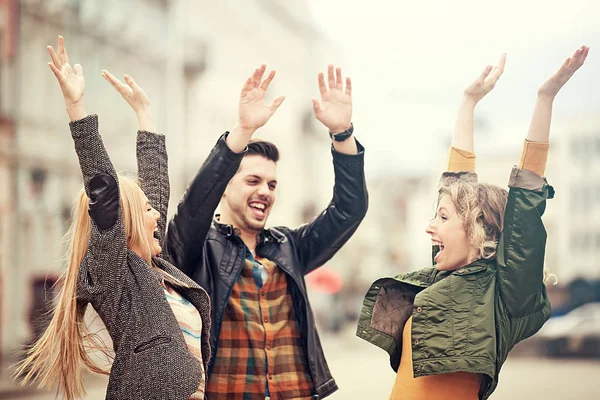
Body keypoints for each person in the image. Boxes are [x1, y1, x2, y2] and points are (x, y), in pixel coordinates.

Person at [357, 46, 589, 400]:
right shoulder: (439, 280)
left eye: (443, 217)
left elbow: (525, 208)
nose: (430, 227)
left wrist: (545, 98)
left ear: (479, 231)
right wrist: (468, 103)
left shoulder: (504, 294)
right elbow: (455, 183)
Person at [15, 36, 211, 400]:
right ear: (128, 223)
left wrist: (145, 114)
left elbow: (155, 188)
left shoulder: (154, 268)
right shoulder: (114, 274)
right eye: (149, 211)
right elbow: (103, 191)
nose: (158, 215)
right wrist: (77, 107)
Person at [164, 64, 368, 399]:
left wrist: (342, 134)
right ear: (224, 189)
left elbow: (349, 210)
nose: (266, 191)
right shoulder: (198, 249)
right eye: (253, 181)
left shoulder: (289, 246)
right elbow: (194, 208)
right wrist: (242, 131)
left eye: (272, 184)